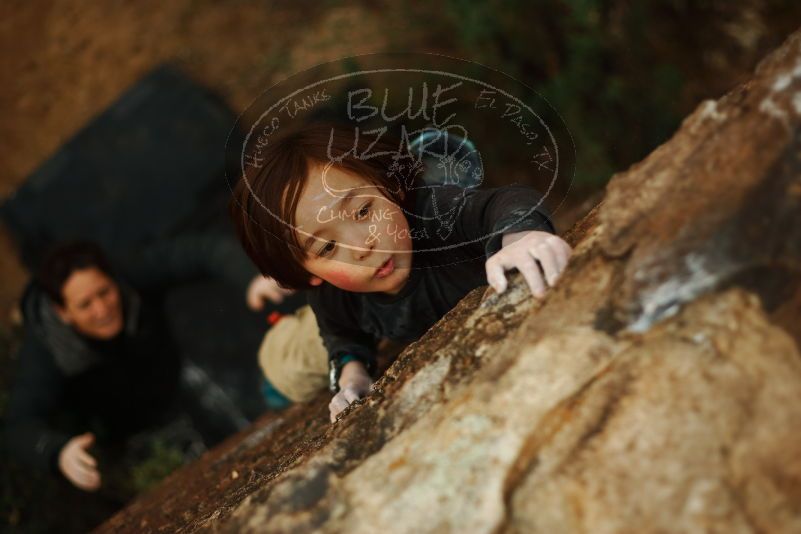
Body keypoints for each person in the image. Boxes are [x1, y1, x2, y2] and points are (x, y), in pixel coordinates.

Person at [230, 122, 573, 423]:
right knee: (288, 376)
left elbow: (507, 201)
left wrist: (521, 237)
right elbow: (341, 336)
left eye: (364, 211)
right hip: (329, 313)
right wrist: (352, 374)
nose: (363, 246)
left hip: (380, 269)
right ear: (309, 274)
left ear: (390, 186)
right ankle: (277, 309)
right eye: (328, 247)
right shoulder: (330, 296)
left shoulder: (438, 215)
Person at [4, 235, 289, 492]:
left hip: (174, 378)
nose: (102, 310)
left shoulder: (130, 272)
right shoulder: (45, 350)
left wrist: (251, 276)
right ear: (62, 312)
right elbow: (19, 424)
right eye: (85, 304)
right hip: (127, 436)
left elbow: (202, 250)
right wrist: (57, 452)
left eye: (104, 292)